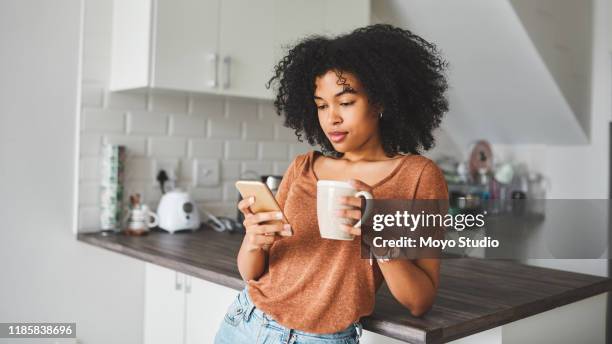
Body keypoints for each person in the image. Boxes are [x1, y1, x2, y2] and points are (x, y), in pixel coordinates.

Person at [214, 23, 449, 344]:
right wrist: (255, 239)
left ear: (380, 101)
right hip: (246, 322)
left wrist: (374, 231)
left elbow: (420, 301)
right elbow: (252, 273)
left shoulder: (417, 176)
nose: (331, 118)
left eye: (346, 102)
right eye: (322, 105)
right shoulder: (302, 167)